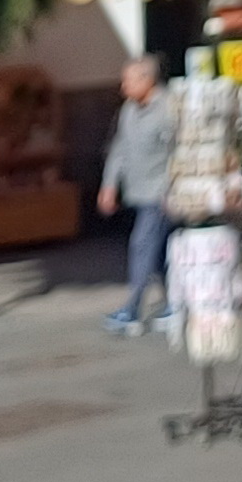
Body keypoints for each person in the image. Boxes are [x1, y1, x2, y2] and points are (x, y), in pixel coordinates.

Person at [97, 55, 176, 334]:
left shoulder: (168, 109)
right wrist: (109, 185)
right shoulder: (129, 110)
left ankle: (132, 309)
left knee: (142, 245)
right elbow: (119, 148)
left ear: (148, 80)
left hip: (159, 193)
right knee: (157, 252)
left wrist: (172, 189)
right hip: (137, 192)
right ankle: (174, 303)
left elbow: (178, 153)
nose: (124, 87)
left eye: (129, 81)